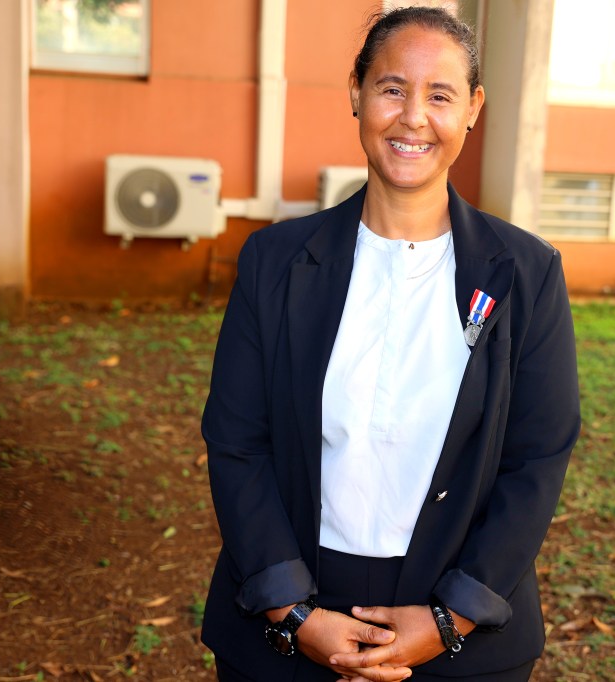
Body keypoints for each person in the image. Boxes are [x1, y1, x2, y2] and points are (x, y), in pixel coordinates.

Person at [201, 6, 580, 681]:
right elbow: (237, 442)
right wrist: (293, 614)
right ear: (356, 93)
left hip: (460, 633)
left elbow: (538, 456)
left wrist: (451, 617)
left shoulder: (525, 272)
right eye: (391, 88)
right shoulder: (275, 261)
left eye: (440, 95)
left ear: (473, 109)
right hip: (290, 621)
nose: (413, 117)